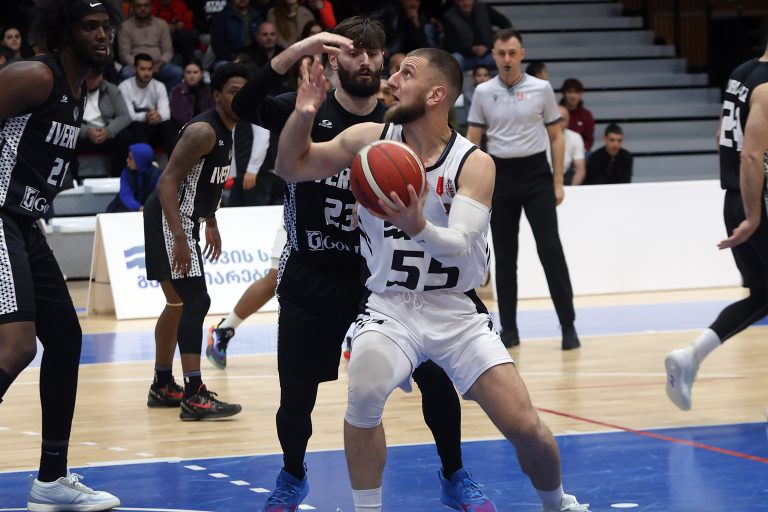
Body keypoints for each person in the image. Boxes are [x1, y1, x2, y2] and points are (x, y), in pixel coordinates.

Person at [276, 46, 590, 512]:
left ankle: (557, 503)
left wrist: (417, 225)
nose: (392, 79)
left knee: (526, 427)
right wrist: (303, 114)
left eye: (406, 73)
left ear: (436, 94)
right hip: (390, 306)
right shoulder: (370, 139)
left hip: (455, 310)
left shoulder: (474, 163)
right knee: (364, 392)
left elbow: (460, 245)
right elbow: (290, 166)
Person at [231, 19, 494, 512]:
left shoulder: (397, 121)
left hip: (382, 279)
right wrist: (302, 48)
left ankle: (455, 472)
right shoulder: (306, 107)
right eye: (355, 52)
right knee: (296, 397)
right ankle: (292, 474)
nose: (367, 61)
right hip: (313, 270)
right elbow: (242, 105)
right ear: (334, 59)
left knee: (436, 381)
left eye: (374, 53)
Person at [0, 1, 122, 510]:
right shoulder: (35, 76)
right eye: (90, 26)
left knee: (66, 338)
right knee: (16, 348)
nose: (102, 35)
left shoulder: (78, 91)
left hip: (25, 223)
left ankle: (51, 479)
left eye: (106, 26)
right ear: (64, 31)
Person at [142, 63, 249, 420]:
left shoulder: (228, 129)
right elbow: (167, 182)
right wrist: (179, 235)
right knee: (196, 300)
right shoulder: (204, 131)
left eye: (245, 93)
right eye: (233, 92)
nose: (240, 98)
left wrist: (211, 220)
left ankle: (162, 384)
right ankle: (194, 394)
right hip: (171, 218)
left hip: (187, 218)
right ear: (216, 95)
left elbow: (205, 181)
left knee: (177, 304)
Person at [665, 42, 768, 411]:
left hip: (734, 197)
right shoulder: (767, 88)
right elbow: (751, 154)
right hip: (757, 201)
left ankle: (691, 356)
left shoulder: (742, 73)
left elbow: (721, 137)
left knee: (762, 296)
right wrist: (754, 216)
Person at [467, 29, 580, 350]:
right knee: (505, 257)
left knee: (550, 250)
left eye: (512, 53)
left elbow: (556, 137)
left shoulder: (541, 89)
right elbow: (473, 142)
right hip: (500, 177)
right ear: (493, 54)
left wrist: (558, 182)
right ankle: (510, 330)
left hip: (536, 176)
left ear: (522, 54)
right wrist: (472, 186)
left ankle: (568, 326)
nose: (507, 59)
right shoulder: (483, 92)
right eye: (501, 53)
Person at [75, 66, 133, 178]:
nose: (90, 81)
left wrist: (108, 131)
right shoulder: (74, 90)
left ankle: (117, 177)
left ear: (100, 76)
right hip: (83, 134)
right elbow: (68, 117)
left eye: (93, 78)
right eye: (87, 77)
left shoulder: (112, 90)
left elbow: (125, 116)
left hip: (107, 133)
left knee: (126, 136)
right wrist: (87, 131)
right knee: (68, 135)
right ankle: (73, 179)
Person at [119, 52, 178, 156]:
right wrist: (146, 116)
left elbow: (166, 113)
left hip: (154, 126)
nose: (147, 73)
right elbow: (128, 115)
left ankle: (173, 162)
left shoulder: (159, 86)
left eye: (149, 69)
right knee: (137, 126)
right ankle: (142, 162)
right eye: (142, 69)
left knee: (169, 125)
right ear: (134, 69)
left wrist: (158, 116)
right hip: (135, 128)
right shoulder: (124, 87)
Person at [118, 0, 183, 90]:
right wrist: (138, 66)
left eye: (146, 5)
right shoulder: (125, 26)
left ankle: (164, 97)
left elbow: (168, 50)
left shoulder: (161, 24)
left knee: (177, 72)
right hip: (135, 65)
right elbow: (124, 53)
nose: (143, 8)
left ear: (151, 7)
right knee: (126, 73)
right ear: (133, 7)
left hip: (158, 65)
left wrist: (159, 64)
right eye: (139, 6)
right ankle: (136, 99)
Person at [442, 0, 511, 71]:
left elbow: (505, 24)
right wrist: (472, 49)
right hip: (466, 59)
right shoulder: (450, 16)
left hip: (488, 55)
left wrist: (494, 44)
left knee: (504, 57)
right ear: (456, 1)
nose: (466, 3)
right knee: (455, 58)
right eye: (461, 1)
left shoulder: (483, 8)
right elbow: (449, 46)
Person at [106, 142, 160, 212]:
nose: (127, 160)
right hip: (125, 207)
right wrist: (139, 208)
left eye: (130, 158)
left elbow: (157, 197)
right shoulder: (126, 172)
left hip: (149, 209)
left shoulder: (157, 175)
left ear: (139, 160)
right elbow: (126, 194)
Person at [169, 60, 214, 128]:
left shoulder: (210, 91)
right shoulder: (176, 91)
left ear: (202, 74)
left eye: (195, 72)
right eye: (188, 72)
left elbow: (212, 112)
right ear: (184, 74)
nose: (192, 75)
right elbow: (179, 116)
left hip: (207, 127)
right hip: (184, 128)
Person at [553, 105, 586, 186]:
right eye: (555, 119)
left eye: (562, 120)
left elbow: (580, 170)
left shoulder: (575, 137)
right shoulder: (539, 137)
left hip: (565, 177)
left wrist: (572, 190)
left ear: (568, 121)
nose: (558, 123)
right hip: (543, 177)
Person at [559, 78, 594, 152]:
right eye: (570, 92)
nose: (573, 96)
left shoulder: (587, 115)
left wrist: (579, 153)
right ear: (563, 93)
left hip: (581, 152)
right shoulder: (555, 113)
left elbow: (589, 140)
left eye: (576, 92)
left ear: (581, 94)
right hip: (558, 150)